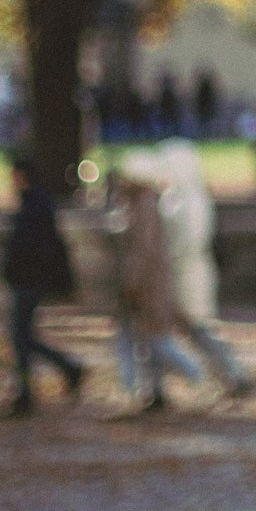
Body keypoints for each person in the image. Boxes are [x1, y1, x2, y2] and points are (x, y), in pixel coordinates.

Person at [156, 142, 255, 398]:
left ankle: (207, 374)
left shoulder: (179, 202)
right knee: (187, 330)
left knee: (187, 330)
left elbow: (181, 244)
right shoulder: (196, 198)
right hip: (191, 273)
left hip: (183, 276)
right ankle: (229, 374)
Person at [108, 158, 204, 410]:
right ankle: (153, 390)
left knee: (153, 340)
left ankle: (192, 376)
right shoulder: (144, 203)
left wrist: (132, 280)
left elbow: (143, 250)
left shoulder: (145, 206)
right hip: (150, 284)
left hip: (148, 286)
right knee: (147, 341)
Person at [0, 154, 85, 417]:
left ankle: (28, 393)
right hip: (27, 278)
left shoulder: (34, 204)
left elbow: (36, 246)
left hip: (28, 279)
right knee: (22, 336)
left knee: (21, 336)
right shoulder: (34, 202)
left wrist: (19, 270)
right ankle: (64, 369)